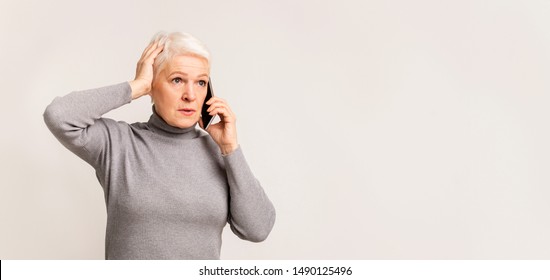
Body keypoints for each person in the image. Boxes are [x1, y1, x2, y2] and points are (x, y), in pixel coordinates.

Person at [43, 32, 276, 260]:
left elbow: (257, 229)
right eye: (177, 80)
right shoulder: (120, 143)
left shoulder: (220, 153)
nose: (191, 95)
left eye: (201, 82)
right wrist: (136, 86)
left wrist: (230, 148)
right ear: (153, 85)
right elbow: (59, 115)